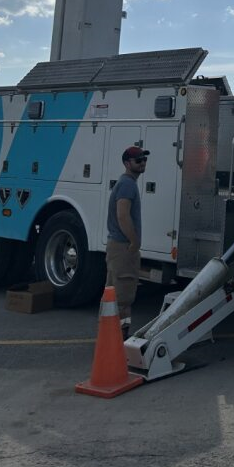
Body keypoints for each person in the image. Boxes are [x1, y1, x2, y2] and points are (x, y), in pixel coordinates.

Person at [106, 144, 149, 339]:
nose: (142, 163)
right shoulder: (127, 184)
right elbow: (123, 215)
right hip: (123, 247)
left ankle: (110, 338)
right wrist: (134, 242)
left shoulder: (126, 183)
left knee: (113, 296)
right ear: (126, 163)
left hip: (117, 246)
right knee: (124, 298)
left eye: (144, 159)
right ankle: (120, 341)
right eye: (138, 160)